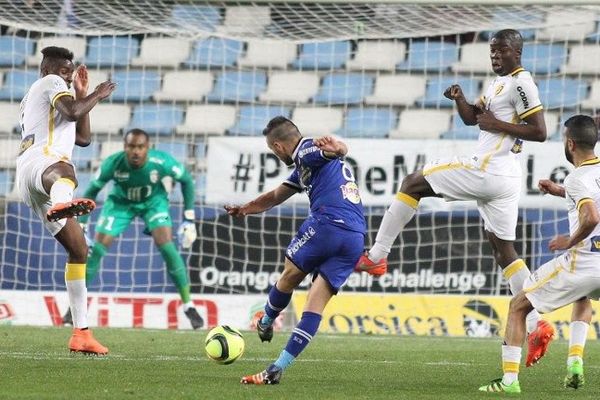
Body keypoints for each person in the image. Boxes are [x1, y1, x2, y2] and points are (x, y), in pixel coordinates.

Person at [355, 29, 553, 363]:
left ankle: (377, 255)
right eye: (491, 51)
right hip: (504, 179)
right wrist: (461, 99)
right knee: (504, 250)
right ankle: (535, 324)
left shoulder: (522, 83)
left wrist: (497, 124)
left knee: (412, 182)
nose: (494, 56)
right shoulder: (497, 84)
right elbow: (474, 120)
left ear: (516, 52)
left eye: (501, 50)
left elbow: (541, 132)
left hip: (489, 169)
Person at [225, 117, 366, 385]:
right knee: (315, 303)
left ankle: (265, 320)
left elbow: (329, 151)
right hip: (355, 237)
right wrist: (245, 208)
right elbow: (277, 195)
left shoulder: (304, 151)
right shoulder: (305, 169)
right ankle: (276, 369)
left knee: (289, 275)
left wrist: (338, 148)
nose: (276, 155)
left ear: (278, 146)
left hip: (327, 225)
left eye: (272, 150)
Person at [479, 115, 600, 394]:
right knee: (582, 296)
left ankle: (509, 381)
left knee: (519, 305)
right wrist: (560, 191)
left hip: (584, 261)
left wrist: (570, 240)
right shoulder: (586, 178)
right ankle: (574, 363)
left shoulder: (578, 176)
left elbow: (591, 216)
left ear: (570, 144)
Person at [15, 46, 116, 354]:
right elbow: (73, 111)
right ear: (47, 70)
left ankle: (81, 332)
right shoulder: (49, 83)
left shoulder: (48, 95)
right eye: (65, 72)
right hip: (44, 166)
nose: (69, 78)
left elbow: (83, 138)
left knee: (79, 249)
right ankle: (63, 201)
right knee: (65, 169)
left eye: (71, 75)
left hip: (32, 178)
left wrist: (84, 92)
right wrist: (97, 93)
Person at [61, 128, 203, 329]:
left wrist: (189, 218)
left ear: (148, 148)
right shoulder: (113, 163)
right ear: (125, 147)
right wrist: (82, 224)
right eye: (131, 147)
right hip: (120, 204)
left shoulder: (161, 162)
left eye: (140, 147)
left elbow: (186, 180)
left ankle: (189, 305)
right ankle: (74, 309)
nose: (135, 151)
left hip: (153, 202)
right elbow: (92, 190)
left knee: (167, 246)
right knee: (94, 251)